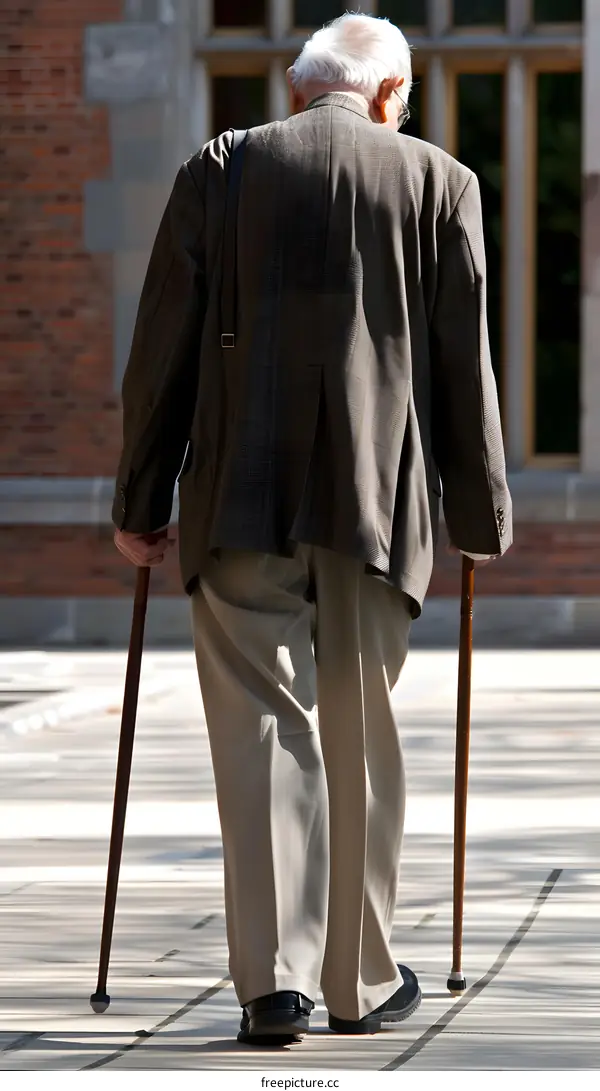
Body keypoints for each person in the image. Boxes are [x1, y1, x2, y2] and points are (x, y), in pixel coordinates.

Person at [112, 13, 512, 1046]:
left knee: (259, 726)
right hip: (379, 499)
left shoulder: (221, 168)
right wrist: (480, 516)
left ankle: (272, 982)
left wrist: (139, 504)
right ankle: (358, 978)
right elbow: (464, 371)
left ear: (301, 90)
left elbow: (162, 349)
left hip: (237, 495)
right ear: (385, 95)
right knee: (359, 726)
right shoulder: (440, 181)